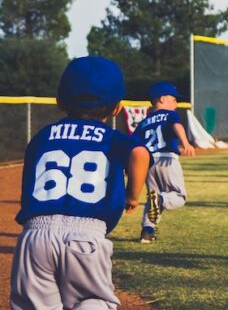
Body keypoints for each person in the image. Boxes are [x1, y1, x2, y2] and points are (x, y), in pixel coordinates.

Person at [11, 56, 151, 310]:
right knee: (93, 300)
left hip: (35, 234)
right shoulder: (111, 137)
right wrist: (132, 197)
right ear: (117, 107)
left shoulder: (42, 137)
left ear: (59, 101)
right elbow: (140, 154)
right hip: (87, 235)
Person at [133, 81, 195, 243]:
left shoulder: (144, 122)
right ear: (162, 99)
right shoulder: (169, 114)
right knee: (178, 196)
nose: (176, 103)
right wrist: (186, 143)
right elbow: (177, 126)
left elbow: (134, 144)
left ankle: (147, 232)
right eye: (174, 99)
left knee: (151, 198)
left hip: (148, 162)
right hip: (167, 159)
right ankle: (159, 200)